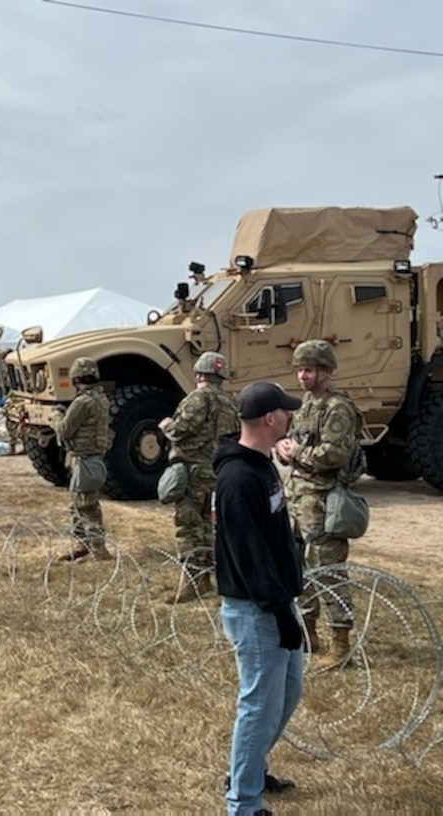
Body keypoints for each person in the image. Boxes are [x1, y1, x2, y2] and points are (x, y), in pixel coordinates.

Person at [215, 381, 304, 816]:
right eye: (285, 411)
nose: (290, 416)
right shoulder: (237, 478)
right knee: (258, 704)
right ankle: (243, 803)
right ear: (270, 418)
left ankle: (248, 771)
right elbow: (249, 557)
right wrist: (277, 609)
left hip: (277, 602)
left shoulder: (262, 464)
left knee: (286, 695)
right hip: (255, 609)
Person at [276, 339, 364, 671]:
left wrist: (297, 453)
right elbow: (295, 442)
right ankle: (308, 633)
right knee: (299, 569)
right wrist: (285, 448)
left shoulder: (336, 407)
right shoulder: (307, 405)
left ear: (326, 371)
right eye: (299, 370)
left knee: (328, 572)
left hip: (325, 500)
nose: (302, 376)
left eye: (309, 370)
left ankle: (341, 646)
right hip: (300, 497)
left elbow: (336, 454)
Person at [159, 351, 240, 601]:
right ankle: (210, 577)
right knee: (208, 526)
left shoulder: (197, 398)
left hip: (194, 471)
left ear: (198, 374)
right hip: (216, 470)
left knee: (188, 526)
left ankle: (193, 580)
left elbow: (182, 430)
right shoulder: (229, 402)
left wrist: (167, 426)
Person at [50, 357, 111, 561]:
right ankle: (81, 544)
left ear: (76, 379)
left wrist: (56, 415)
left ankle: (98, 548)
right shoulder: (101, 399)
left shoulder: (83, 402)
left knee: (86, 506)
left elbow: (65, 430)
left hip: (85, 460)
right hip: (92, 459)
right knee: (78, 504)